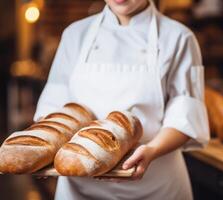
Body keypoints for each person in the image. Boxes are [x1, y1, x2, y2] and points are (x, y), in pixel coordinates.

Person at [34, 0, 210, 199]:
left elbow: (185, 116)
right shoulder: (75, 35)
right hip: (79, 187)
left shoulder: (179, 37)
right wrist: (42, 154)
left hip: (155, 185)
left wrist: (151, 150)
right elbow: (54, 107)